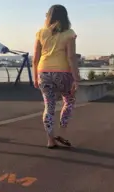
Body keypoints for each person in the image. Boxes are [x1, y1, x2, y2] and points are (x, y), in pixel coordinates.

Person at [33, 4, 81, 149]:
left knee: (49, 106)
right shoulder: (69, 33)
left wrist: (35, 77)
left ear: (48, 16)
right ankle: (62, 132)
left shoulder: (41, 32)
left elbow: (35, 58)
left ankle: (50, 140)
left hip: (44, 72)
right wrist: (76, 78)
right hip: (63, 73)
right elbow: (71, 57)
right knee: (69, 100)